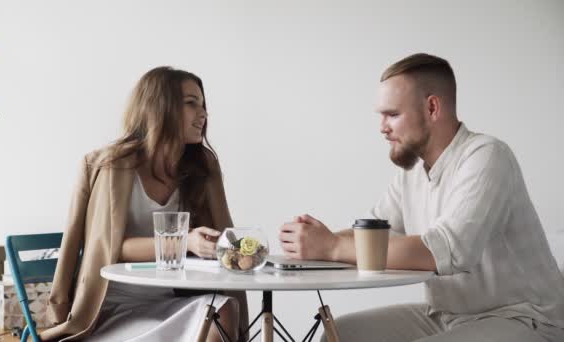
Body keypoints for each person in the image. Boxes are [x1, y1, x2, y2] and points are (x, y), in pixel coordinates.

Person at [279, 53, 564, 342]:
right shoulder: (412, 174)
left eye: (392, 114)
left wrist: (331, 247)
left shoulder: (487, 155)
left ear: (431, 107)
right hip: (445, 316)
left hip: (524, 318)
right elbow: (372, 235)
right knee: (339, 336)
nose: (382, 126)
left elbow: (448, 249)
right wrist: (315, 241)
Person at [41, 67, 248, 342]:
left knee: (224, 310)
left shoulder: (203, 165)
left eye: (203, 105)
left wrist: (222, 245)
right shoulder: (109, 166)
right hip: (108, 309)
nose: (203, 114)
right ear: (160, 107)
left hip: (169, 301)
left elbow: (223, 229)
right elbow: (109, 247)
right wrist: (184, 242)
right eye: (191, 103)